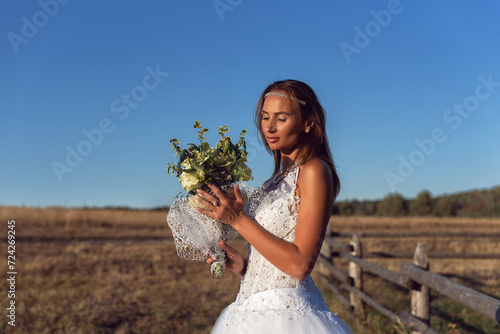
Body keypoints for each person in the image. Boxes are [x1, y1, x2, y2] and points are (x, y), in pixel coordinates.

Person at [195, 80, 354, 333]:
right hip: (250, 309)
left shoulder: (314, 170)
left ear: (307, 123)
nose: (269, 127)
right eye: (265, 117)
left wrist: (238, 220)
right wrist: (245, 267)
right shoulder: (275, 181)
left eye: (281, 118)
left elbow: (300, 265)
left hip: (288, 319)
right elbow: (278, 255)